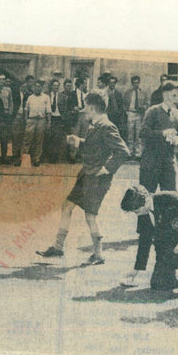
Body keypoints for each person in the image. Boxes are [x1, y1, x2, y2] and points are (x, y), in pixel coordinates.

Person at [36, 92, 129, 265]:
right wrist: (79, 142)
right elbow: (96, 147)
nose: (84, 110)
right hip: (86, 174)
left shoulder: (107, 126)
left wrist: (106, 169)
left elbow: (123, 151)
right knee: (67, 206)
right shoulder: (96, 125)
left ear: (92, 108)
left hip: (97, 179)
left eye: (86, 106)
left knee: (90, 216)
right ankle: (58, 247)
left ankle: (99, 254)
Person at [132, 80, 178, 284]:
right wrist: (162, 134)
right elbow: (143, 134)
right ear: (164, 94)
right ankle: (144, 231)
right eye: (173, 95)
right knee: (145, 198)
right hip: (151, 162)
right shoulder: (153, 112)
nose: (176, 99)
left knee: (172, 199)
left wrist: (177, 140)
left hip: (168, 162)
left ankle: (169, 234)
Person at [119, 185, 178, 294]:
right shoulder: (143, 213)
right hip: (173, 248)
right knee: (159, 283)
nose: (136, 214)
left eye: (137, 210)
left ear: (147, 201)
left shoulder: (170, 198)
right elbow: (144, 240)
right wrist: (136, 269)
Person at [21, 79, 51, 166]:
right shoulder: (30, 97)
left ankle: (36, 159)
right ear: (34, 87)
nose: (37, 88)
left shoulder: (46, 97)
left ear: (42, 88)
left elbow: (48, 111)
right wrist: (27, 120)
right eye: (36, 86)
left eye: (39, 87)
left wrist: (49, 122)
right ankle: (24, 159)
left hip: (41, 120)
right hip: (31, 120)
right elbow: (26, 109)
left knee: (39, 140)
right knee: (27, 140)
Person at [10, 75, 34, 165]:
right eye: (22, 86)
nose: (24, 87)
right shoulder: (14, 92)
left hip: (26, 117)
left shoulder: (30, 94)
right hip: (16, 116)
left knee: (25, 137)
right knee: (16, 137)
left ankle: (23, 158)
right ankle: (15, 157)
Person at [122, 75, 148, 159]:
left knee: (138, 134)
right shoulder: (128, 93)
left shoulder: (143, 93)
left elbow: (147, 103)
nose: (136, 85)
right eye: (134, 83)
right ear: (132, 84)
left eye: (137, 83)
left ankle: (138, 154)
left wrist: (143, 107)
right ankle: (129, 153)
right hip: (131, 113)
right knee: (130, 134)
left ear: (139, 83)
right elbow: (124, 104)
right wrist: (127, 112)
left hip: (139, 115)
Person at [0, 73, 14, 162]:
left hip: (5, 114)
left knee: (4, 136)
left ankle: (4, 157)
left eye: (3, 79)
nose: (2, 81)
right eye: (0, 79)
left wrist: (10, 113)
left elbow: (11, 102)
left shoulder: (8, 90)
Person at [44, 79, 65, 163]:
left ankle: (54, 157)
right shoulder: (46, 95)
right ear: (51, 86)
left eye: (57, 85)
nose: (56, 87)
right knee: (48, 136)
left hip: (58, 118)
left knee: (57, 138)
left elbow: (65, 109)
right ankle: (46, 156)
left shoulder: (62, 96)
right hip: (49, 117)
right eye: (54, 85)